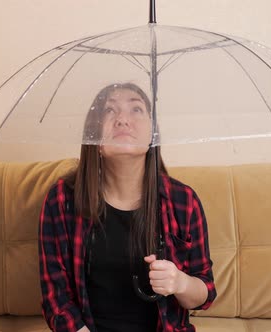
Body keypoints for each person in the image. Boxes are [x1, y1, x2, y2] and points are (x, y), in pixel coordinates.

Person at [39, 83, 216, 332]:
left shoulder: (183, 201)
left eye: (136, 109)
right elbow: (56, 301)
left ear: (152, 135)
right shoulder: (62, 200)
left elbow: (205, 293)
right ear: (94, 137)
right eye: (109, 111)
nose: (123, 119)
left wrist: (180, 283)